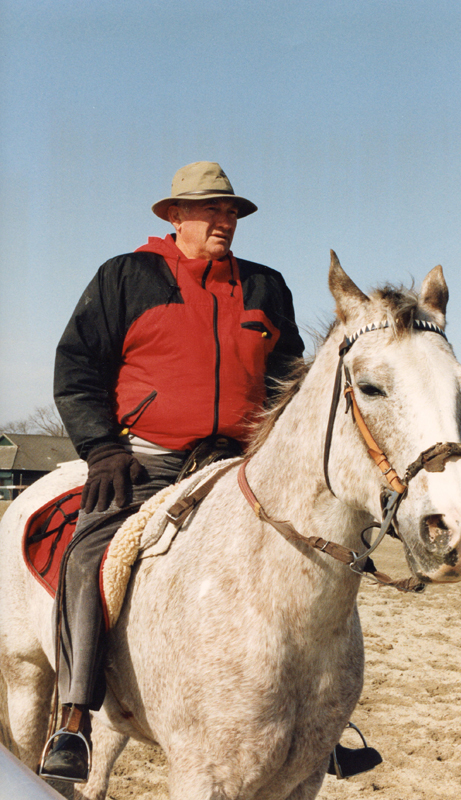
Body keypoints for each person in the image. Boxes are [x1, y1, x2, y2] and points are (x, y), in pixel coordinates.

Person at [41, 161, 304, 782]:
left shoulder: (268, 287)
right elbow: (76, 368)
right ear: (173, 215)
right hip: (147, 460)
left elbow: (290, 384)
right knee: (88, 557)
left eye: (232, 211)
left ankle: (319, 715)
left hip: (238, 468)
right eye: (212, 209)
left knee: (311, 557)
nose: (225, 220)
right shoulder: (126, 277)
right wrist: (102, 448)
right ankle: (75, 719)